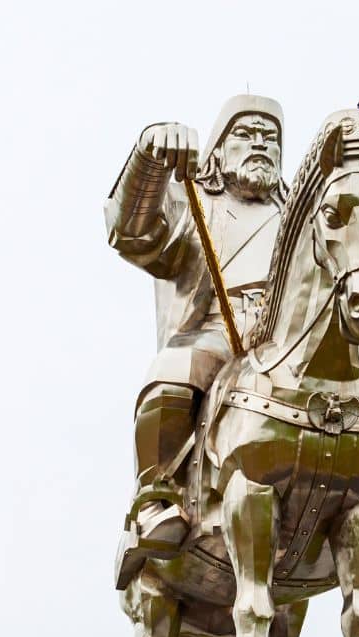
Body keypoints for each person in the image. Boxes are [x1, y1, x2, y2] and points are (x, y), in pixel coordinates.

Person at [107, 95, 287, 587]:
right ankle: (155, 497)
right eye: (247, 134)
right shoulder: (194, 202)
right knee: (177, 367)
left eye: (270, 138)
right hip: (215, 331)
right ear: (220, 148)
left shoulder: (299, 216)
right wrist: (150, 158)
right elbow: (134, 233)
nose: (260, 145)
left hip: (286, 339)